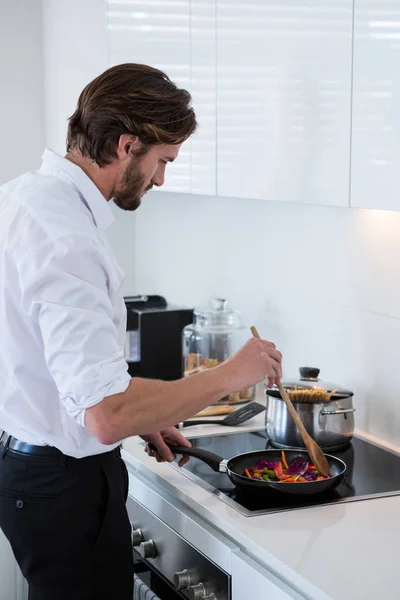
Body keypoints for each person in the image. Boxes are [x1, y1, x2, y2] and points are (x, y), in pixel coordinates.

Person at [0, 63, 282, 600]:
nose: (160, 180)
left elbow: (60, 369)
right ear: (127, 144)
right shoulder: (66, 238)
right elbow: (106, 415)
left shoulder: (23, 198)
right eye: (161, 161)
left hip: (32, 466)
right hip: (63, 485)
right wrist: (231, 373)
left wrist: (146, 416)